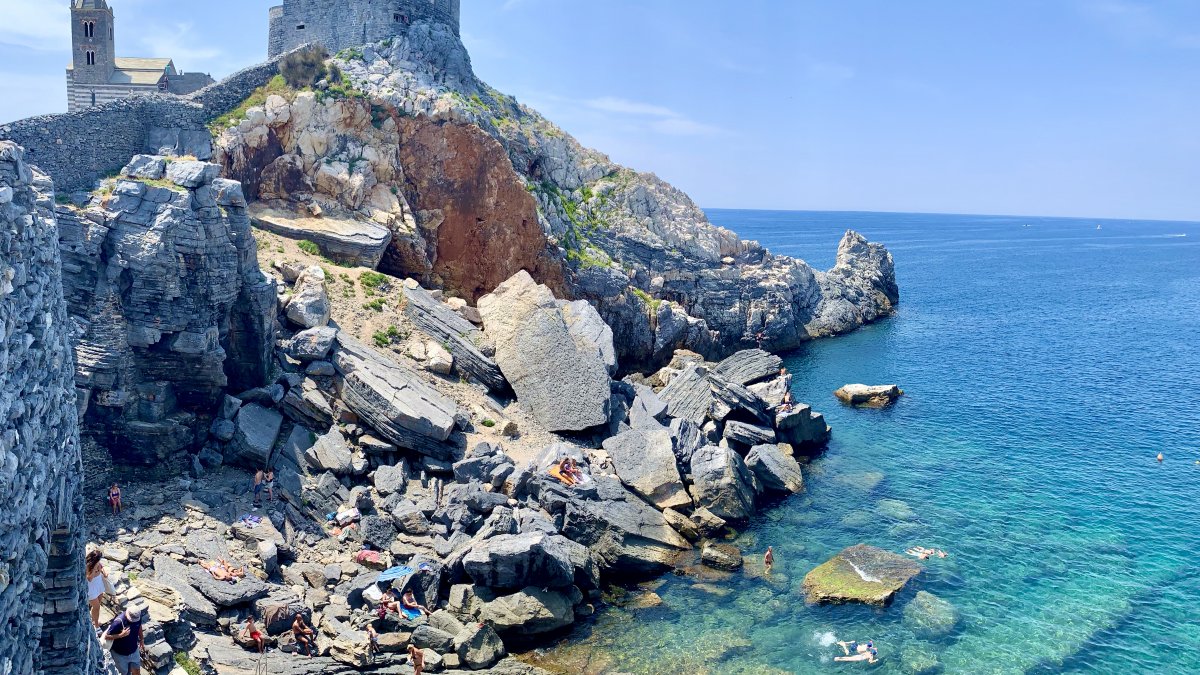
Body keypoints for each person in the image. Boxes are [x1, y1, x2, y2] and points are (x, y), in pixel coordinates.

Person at [104, 605, 145, 675]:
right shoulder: (118, 622)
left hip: (134, 651)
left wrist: (141, 639)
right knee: (124, 673)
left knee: (137, 671)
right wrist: (121, 635)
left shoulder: (137, 617)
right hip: (120, 655)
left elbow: (139, 626)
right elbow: (106, 636)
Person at [86, 549, 109, 628]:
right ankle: (96, 625)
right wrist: (94, 569)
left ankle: (94, 619)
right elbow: (89, 578)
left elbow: (102, 567)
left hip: (99, 584)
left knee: (97, 605)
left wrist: (104, 572)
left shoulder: (98, 563)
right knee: (97, 606)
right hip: (91, 587)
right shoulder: (88, 566)